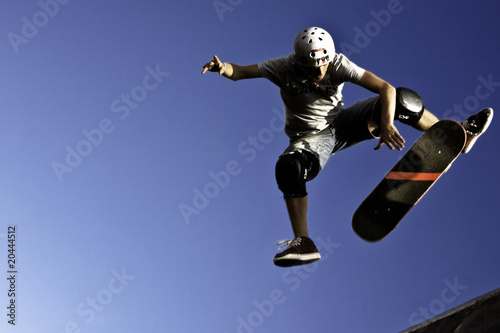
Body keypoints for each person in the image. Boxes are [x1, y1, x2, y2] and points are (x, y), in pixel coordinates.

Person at [201, 27, 493, 267]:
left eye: (323, 65)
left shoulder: (339, 63)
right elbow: (239, 71)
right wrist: (222, 67)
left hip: (343, 123)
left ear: (329, 57)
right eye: (311, 68)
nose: (319, 73)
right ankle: (303, 241)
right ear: (299, 62)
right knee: (288, 169)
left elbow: (385, 88)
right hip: (310, 138)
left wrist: (387, 122)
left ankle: (459, 134)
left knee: (403, 100)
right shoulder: (282, 67)